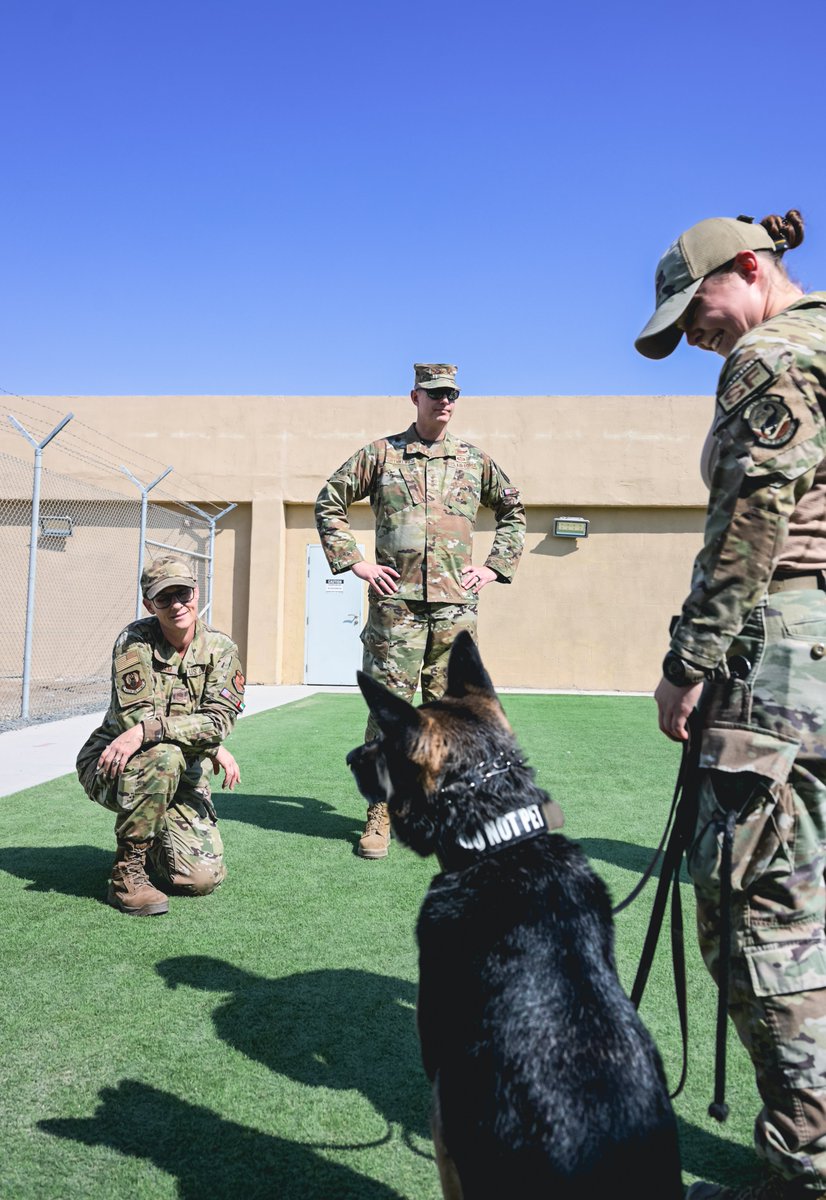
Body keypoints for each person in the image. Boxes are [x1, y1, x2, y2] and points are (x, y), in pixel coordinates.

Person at [636, 210, 826, 1200]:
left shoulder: (774, 353)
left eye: (696, 307)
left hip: (783, 669)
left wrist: (687, 663)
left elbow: (752, 524)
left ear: (750, 269)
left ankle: (807, 1168)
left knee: (762, 924)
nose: (694, 335)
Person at [315, 362, 526, 859]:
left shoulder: (475, 462)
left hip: (455, 611)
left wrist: (493, 566)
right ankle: (380, 812)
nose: (443, 401)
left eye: (451, 393)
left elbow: (514, 512)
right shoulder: (382, 455)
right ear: (415, 397)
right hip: (397, 610)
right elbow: (329, 501)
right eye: (433, 393)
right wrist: (356, 563)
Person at [76, 556, 244, 916]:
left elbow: (218, 721)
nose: (177, 605)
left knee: (200, 880)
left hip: (180, 770)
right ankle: (127, 875)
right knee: (164, 754)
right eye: (164, 598)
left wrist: (211, 743)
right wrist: (204, 742)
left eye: (182, 593)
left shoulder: (221, 649)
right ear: (149, 604)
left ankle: (153, 841)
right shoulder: (134, 640)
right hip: (114, 762)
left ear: (197, 593)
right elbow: (137, 719)